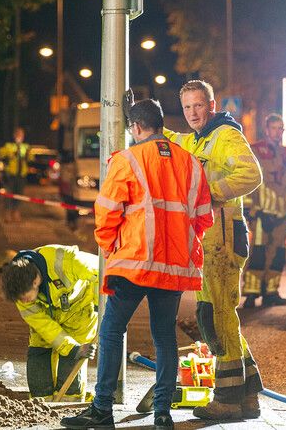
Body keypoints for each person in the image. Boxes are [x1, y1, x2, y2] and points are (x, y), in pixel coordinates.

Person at [61, 99, 213, 430]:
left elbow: (107, 212)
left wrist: (109, 248)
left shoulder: (128, 160)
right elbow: (203, 219)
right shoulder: (190, 163)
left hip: (134, 265)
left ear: (136, 128)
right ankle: (162, 414)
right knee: (164, 337)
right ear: (160, 125)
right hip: (173, 268)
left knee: (112, 330)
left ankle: (102, 410)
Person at [164, 80, 264, 421]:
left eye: (198, 105)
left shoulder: (225, 135)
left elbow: (252, 174)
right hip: (211, 237)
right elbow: (170, 139)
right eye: (187, 107)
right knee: (221, 315)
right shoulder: (197, 138)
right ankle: (247, 396)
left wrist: (209, 193)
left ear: (211, 104)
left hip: (223, 235)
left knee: (215, 316)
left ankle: (228, 399)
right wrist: (138, 118)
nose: (192, 113)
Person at [1, 244, 99, 401]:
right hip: (48, 313)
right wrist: (70, 348)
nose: (23, 301)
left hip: (79, 312)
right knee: (39, 354)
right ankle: (42, 400)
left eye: (25, 297)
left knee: (73, 360)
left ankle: (70, 400)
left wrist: (99, 304)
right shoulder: (19, 288)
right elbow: (44, 327)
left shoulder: (66, 260)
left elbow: (101, 271)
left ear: (35, 281)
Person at [243, 113, 286, 308]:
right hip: (261, 212)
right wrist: (250, 209)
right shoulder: (255, 150)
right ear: (266, 129)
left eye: (281, 128)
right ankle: (251, 293)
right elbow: (249, 182)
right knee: (258, 253)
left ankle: (271, 291)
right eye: (275, 128)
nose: (278, 132)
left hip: (283, 213)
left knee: (278, 254)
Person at [0, 126, 29, 222]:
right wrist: (10, 153)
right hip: (11, 175)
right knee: (9, 194)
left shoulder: (25, 147)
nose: (20, 136)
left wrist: (29, 154)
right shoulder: (9, 146)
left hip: (21, 175)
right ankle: (7, 213)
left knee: (19, 194)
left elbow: (31, 158)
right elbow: (0, 153)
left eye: (22, 135)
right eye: (18, 134)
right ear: (14, 136)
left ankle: (15, 212)